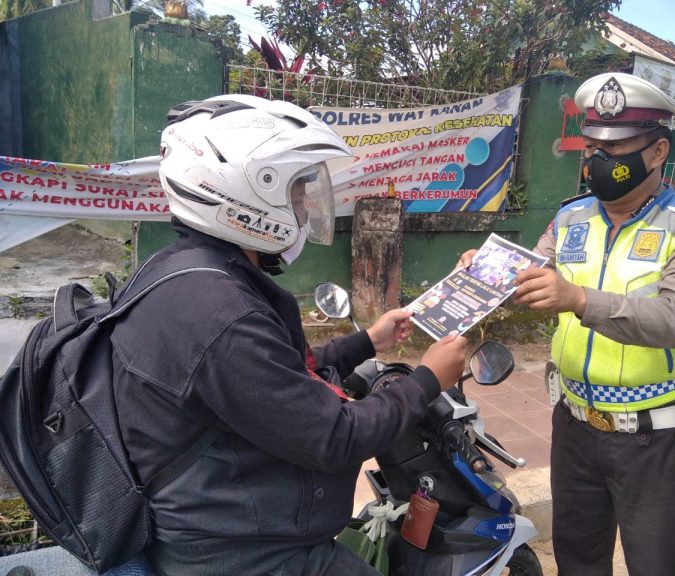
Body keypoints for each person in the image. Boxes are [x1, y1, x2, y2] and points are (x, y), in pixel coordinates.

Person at [112, 95, 467, 575]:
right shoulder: (222, 314)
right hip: (242, 553)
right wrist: (427, 380)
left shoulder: (184, 272)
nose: (304, 206)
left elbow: (270, 378)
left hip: (219, 517)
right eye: (297, 191)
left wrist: (366, 342)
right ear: (246, 194)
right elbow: (336, 437)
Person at [458, 72, 675, 576]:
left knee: (661, 564)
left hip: (658, 437)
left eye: (617, 148)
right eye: (591, 147)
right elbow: (536, 271)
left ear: (657, 153)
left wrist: (579, 299)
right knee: (578, 561)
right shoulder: (572, 217)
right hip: (575, 426)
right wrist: (486, 271)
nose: (598, 161)